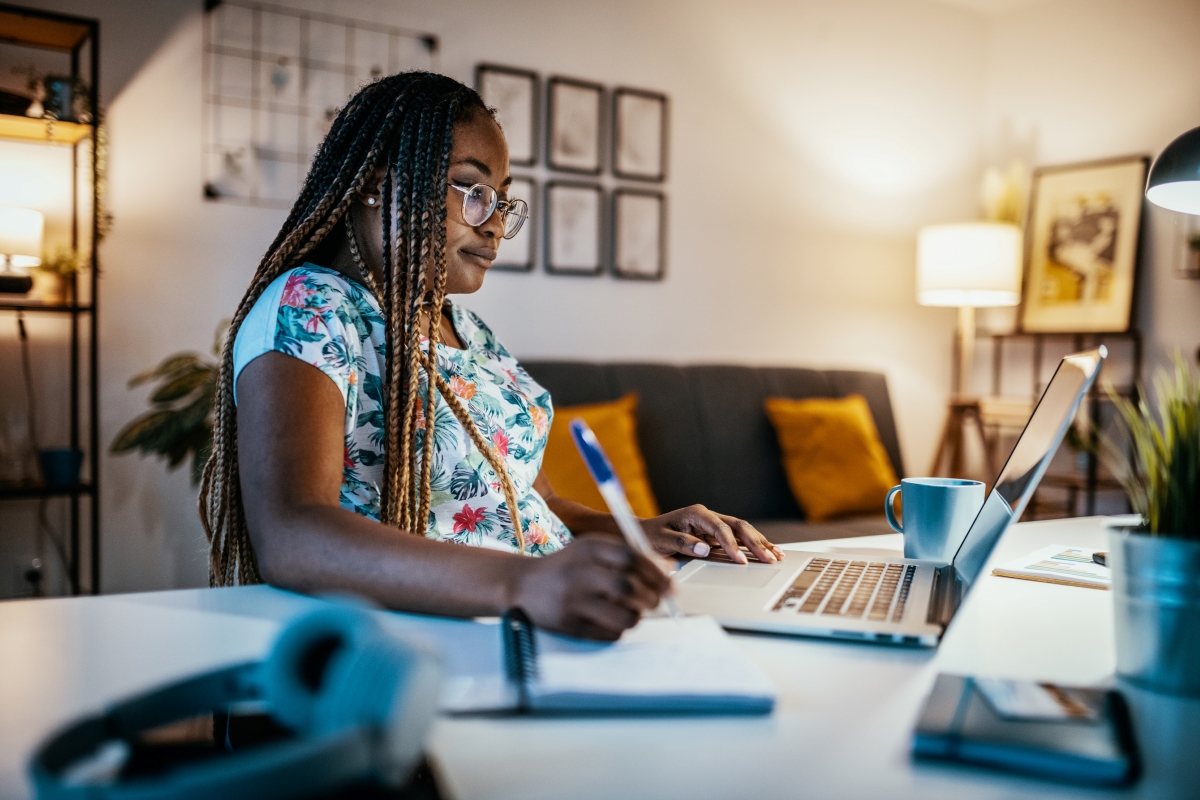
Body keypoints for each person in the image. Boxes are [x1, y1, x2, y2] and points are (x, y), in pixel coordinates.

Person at [201, 72, 783, 641]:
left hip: (534, 623)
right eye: (474, 192)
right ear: (378, 181)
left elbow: (536, 501)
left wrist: (645, 532)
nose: (496, 226)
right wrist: (523, 584)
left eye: (503, 202)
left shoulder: (468, 332)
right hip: (431, 640)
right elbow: (293, 534)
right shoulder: (311, 306)